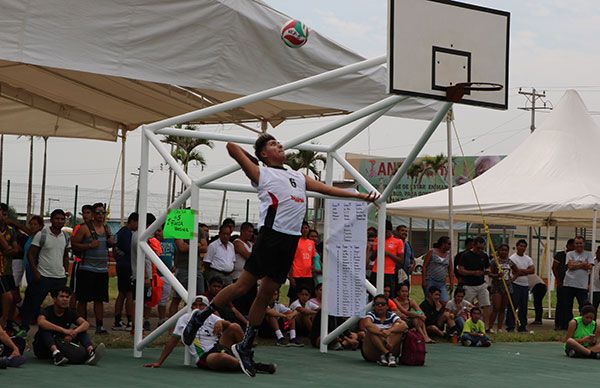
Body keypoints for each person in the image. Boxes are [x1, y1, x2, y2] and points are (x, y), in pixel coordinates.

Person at [183, 134, 378, 377]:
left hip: (290, 241)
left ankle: (245, 344)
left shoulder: (297, 175)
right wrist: (256, 159)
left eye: (279, 143)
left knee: (265, 294)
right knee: (244, 286)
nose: (280, 146)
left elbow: (327, 190)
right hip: (271, 236)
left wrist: (358, 196)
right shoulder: (262, 174)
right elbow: (232, 147)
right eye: (274, 145)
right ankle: (200, 316)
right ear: (264, 153)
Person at [143, 295, 275, 373]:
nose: (198, 308)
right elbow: (172, 341)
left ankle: (246, 358)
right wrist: (159, 362)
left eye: (202, 305)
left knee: (234, 326)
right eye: (195, 305)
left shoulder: (211, 317)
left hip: (219, 346)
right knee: (221, 358)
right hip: (204, 356)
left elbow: (229, 325)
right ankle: (253, 366)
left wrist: (223, 323)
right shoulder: (184, 319)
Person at [20, 209, 70, 332]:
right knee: (32, 303)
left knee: (60, 305)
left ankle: (58, 330)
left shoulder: (65, 236)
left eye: (62, 219)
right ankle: (24, 329)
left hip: (59, 277)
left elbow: (65, 255)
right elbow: (31, 254)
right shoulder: (42, 234)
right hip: (43, 276)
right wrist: (36, 272)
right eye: (57, 218)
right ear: (52, 220)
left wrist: (66, 272)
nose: (59, 221)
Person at [33, 286, 105, 366]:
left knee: (81, 330)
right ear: (54, 298)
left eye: (67, 297)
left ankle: (91, 351)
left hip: (61, 342)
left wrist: (74, 332)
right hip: (43, 348)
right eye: (62, 296)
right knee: (45, 328)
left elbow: (85, 324)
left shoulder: (70, 312)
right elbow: (41, 322)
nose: (65, 299)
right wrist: (64, 331)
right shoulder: (47, 311)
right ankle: (56, 354)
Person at [70, 202, 114, 334]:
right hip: (87, 269)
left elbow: (110, 243)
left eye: (103, 212)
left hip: (102, 270)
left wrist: (111, 243)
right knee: (83, 299)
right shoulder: (85, 228)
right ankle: (81, 324)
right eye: (98, 212)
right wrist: (88, 246)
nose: (101, 215)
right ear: (93, 214)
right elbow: (74, 245)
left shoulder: (107, 229)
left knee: (99, 299)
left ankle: (99, 325)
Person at [360, 294, 407, 367]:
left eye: (383, 304)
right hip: (372, 352)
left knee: (398, 326)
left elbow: (404, 325)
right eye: (377, 304)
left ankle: (387, 354)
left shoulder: (391, 315)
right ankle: (387, 353)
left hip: (389, 344)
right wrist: (382, 333)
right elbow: (367, 324)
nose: (380, 306)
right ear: (374, 306)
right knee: (372, 330)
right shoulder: (371, 315)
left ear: (387, 306)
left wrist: (389, 331)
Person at [168, 231, 208, 317]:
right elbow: (182, 247)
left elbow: (205, 248)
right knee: (177, 298)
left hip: (197, 269)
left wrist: (189, 246)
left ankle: (191, 321)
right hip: (182, 268)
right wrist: (197, 245)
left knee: (199, 298)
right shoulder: (180, 228)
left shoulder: (199, 229)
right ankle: (171, 329)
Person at [457, 236, 491, 325]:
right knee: (466, 305)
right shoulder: (466, 255)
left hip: (481, 284)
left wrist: (487, 271)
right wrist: (473, 273)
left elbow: (488, 267)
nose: (480, 250)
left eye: (482, 248)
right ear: (474, 245)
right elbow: (461, 270)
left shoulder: (484, 255)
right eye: (478, 248)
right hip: (469, 285)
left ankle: (486, 326)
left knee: (486, 304)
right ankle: (466, 323)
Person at [113, 212, 138, 330]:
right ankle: (129, 321)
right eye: (138, 222)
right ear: (132, 221)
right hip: (127, 266)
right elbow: (131, 249)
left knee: (122, 293)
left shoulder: (121, 232)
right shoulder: (127, 233)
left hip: (121, 265)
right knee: (129, 294)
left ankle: (118, 321)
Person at [506, 239, 535, 333]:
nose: (522, 248)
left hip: (525, 285)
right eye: (520, 246)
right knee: (513, 306)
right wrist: (525, 271)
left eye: (524, 246)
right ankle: (510, 326)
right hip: (515, 284)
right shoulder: (512, 258)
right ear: (517, 246)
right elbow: (514, 271)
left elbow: (532, 270)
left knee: (524, 307)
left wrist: (521, 271)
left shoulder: (528, 258)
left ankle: (522, 326)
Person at [563, 236, 593, 324]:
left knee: (583, 306)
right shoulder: (570, 254)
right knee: (568, 306)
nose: (578, 245)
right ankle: (568, 324)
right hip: (569, 284)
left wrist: (576, 264)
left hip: (582, 285)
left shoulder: (589, 254)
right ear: (574, 244)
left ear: (584, 243)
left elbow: (590, 266)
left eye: (580, 243)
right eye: (577, 243)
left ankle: (582, 324)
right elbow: (570, 266)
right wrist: (583, 264)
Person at [69, 204, 94, 309]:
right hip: (80, 263)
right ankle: (72, 313)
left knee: (86, 293)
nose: (85, 215)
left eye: (88, 212)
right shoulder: (79, 227)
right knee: (75, 290)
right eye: (84, 213)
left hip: (92, 264)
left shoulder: (97, 228)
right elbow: (74, 244)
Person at [0, 203, 20, 332]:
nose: (3, 216)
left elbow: (16, 249)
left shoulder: (11, 231)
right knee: (8, 297)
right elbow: (8, 248)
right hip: (0, 270)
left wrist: (6, 251)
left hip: (7, 269)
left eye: (4, 214)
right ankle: (4, 321)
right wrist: (8, 249)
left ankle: (10, 322)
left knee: (15, 297)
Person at [370, 220, 403, 292]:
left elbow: (400, 260)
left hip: (389, 273)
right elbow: (372, 258)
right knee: (373, 292)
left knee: (388, 294)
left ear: (389, 231)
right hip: (376, 271)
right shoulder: (377, 239)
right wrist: (376, 249)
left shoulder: (398, 241)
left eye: (385, 232)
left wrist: (388, 254)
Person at [288, 221, 316, 301]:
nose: (304, 230)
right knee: (295, 298)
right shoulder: (295, 241)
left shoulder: (311, 243)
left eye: (306, 228)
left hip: (308, 276)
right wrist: (291, 276)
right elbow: (290, 259)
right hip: (296, 275)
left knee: (307, 298)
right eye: (302, 228)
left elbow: (313, 256)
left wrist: (313, 265)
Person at [232, 222, 256, 316]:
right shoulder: (237, 242)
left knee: (250, 302)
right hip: (239, 277)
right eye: (249, 231)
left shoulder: (251, 244)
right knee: (240, 302)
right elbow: (247, 256)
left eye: (252, 232)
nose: (251, 234)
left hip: (251, 278)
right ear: (242, 231)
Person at [487, 244, 512, 333]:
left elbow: (517, 271)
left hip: (506, 287)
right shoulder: (494, 261)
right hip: (497, 286)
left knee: (503, 308)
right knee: (496, 307)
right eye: (502, 250)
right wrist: (497, 275)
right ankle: (490, 327)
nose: (504, 252)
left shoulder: (509, 261)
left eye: (506, 250)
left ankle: (500, 328)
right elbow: (489, 273)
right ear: (498, 251)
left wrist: (511, 279)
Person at [422, 236, 453, 302]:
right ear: (443, 244)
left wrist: (451, 283)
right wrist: (424, 280)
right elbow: (424, 266)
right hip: (430, 280)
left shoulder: (448, 255)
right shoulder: (432, 252)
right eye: (449, 244)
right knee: (430, 300)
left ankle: (440, 312)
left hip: (442, 282)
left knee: (445, 301)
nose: (450, 246)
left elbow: (450, 270)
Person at [553, 239, 575, 330]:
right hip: (562, 283)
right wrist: (558, 281)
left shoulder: (575, 256)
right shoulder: (560, 255)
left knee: (569, 304)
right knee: (560, 304)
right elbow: (554, 268)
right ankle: (558, 324)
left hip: (571, 284)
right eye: (572, 246)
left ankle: (567, 324)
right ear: (567, 246)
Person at [156, 225, 175, 326]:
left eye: (160, 230)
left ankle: (161, 319)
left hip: (167, 274)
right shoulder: (153, 241)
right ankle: (145, 319)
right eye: (157, 231)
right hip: (155, 274)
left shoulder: (172, 240)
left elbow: (176, 253)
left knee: (164, 298)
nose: (158, 233)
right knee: (151, 298)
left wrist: (175, 264)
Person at [395, 224, 414, 291]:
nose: (405, 233)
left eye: (406, 231)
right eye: (402, 230)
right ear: (397, 232)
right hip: (395, 273)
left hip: (405, 274)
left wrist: (412, 265)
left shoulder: (408, 244)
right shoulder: (393, 243)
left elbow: (412, 259)